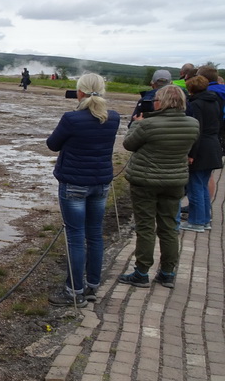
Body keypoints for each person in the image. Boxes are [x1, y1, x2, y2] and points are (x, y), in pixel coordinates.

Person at [45, 74, 121, 306]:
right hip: (101, 183)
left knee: (76, 237)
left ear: (80, 92)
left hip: (74, 184)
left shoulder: (72, 119)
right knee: (95, 234)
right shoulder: (113, 118)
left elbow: (52, 144)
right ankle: (92, 286)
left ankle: (74, 291)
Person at [118, 85, 199, 289]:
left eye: (156, 100)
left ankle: (141, 273)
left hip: (145, 181)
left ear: (161, 102)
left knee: (145, 227)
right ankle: (167, 273)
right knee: (170, 227)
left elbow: (129, 144)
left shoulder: (149, 125)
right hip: (175, 181)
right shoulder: (193, 124)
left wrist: (137, 125)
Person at [179, 75, 223, 232]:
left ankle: (196, 222)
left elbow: (196, 130)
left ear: (191, 88)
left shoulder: (197, 104)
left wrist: (191, 154)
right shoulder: (214, 101)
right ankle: (204, 220)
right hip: (213, 146)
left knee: (195, 186)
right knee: (202, 185)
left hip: (202, 148)